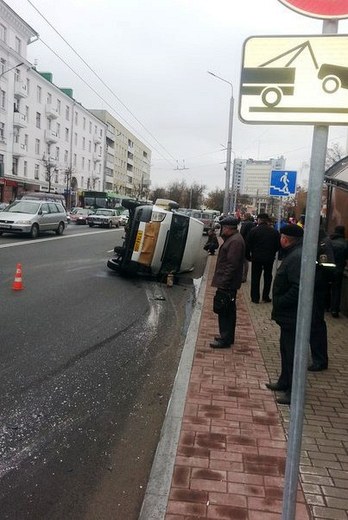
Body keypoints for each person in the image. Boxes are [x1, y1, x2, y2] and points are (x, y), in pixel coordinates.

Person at [267, 224, 304, 405]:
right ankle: (284, 382)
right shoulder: (294, 253)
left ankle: (293, 391)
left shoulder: (296, 257)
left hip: (292, 314)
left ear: (286, 239)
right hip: (288, 316)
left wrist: (280, 301)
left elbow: (298, 288)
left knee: (292, 354)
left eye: (281, 236)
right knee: (285, 349)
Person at [210, 216, 245, 349]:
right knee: (227, 310)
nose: (222, 230)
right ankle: (226, 336)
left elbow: (232, 265)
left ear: (228, 228)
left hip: (228, 283)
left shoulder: (235, 242)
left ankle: (225, 339)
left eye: (223, 228)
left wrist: (224, 282)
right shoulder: (233, 239)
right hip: (228, 282)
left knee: (226, 310)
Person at [308, 227, 335, 372]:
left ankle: (320, 360)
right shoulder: (319, 242)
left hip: (317, 289)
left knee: (316, 324)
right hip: (314, 288)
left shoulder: (324, 244)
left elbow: (328, 267)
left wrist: (316, 278)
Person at [246, 213, 280, 304]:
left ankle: (255, 298)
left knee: (255, 277)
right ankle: (265, 296)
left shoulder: (253, 231)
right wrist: (272, 252)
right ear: (267, 221)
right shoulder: (274, 232)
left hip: (256, 258)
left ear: (259, 220)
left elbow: (248, 244)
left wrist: (248, 256)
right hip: (269, 258)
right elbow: (278, 246)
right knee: (268, 277)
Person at [327, 225, 348, 318]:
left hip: (328, 268)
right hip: (339, 270)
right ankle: (334, 309)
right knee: (336, 289)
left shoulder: (330, 241)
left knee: (326, 287)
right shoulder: (345, 243)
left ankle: (326, 306)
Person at [240, 213, 256, 282]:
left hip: (244, 243)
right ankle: (244, 276)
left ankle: (243, 276)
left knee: (243, 260)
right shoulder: (252, 224)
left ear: (245, 217)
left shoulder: (245, 224)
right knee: (245, 260)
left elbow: (242, 233)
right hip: (249, 244)